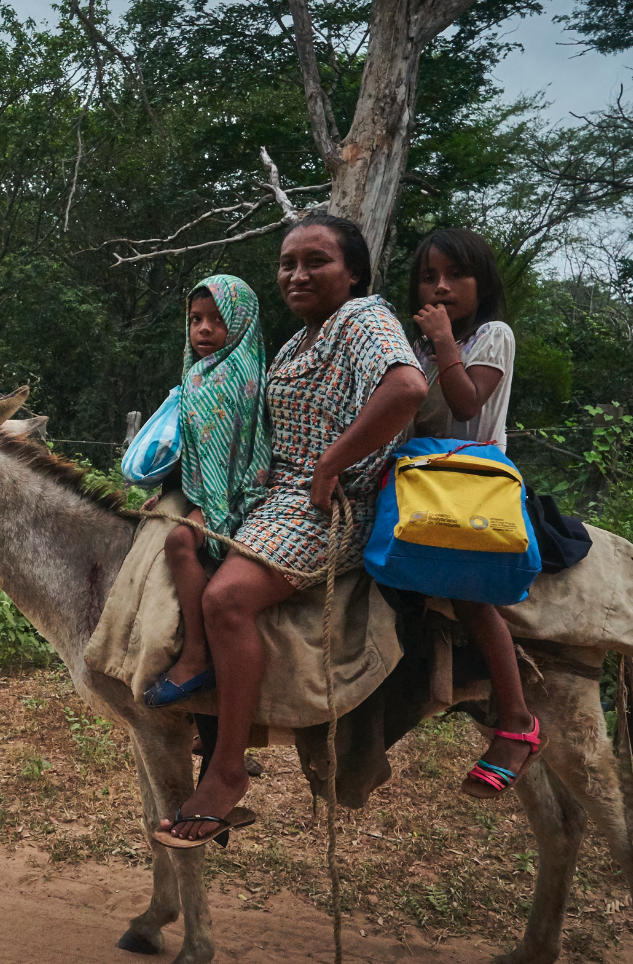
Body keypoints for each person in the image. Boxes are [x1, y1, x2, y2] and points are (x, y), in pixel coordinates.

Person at [156, 213, 428, 845]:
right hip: (273, 494)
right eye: (288, 264)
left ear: (354, 272)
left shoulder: (362, 321)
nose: (297, 274)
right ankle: (207, 718)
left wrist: (332, 463)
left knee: (226, 600)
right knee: (174, 547)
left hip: (328, 505)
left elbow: (407, 387)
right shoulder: (293, 344)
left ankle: (227, 772)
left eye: (316, 261)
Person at [408, 227, 543, 798]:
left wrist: (443, 342)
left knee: (468, 590)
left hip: (472, 484)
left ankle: (516, 719)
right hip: (421, 477)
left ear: (481, 283)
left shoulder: (493, 335)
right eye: (429, 277)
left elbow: (465, 402)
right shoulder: (411, 346)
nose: (440, 289)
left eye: (455, 276)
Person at [142, 276, 271, 708]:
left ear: (242, 322)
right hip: (203, 491)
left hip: (236, 497)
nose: (203, 330)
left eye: (217, 320)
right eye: (196, 319)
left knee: (180, 541)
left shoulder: (236, 377)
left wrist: (207, 508)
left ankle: (197, 653)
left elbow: (233, 457)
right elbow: (195, 447)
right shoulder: (198, 372)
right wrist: (169, 491)